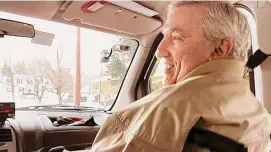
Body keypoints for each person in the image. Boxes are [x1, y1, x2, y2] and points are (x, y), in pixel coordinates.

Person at [91, 1, 271, 152]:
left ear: (220, 49)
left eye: (176, 37)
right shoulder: (257, 111)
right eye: (164, 36)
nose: (160, 52)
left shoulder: (171, 109)